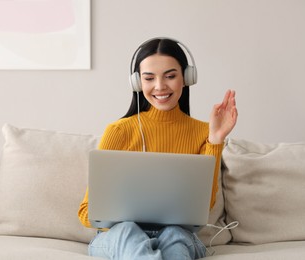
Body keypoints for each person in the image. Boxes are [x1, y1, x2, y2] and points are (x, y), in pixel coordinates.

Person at [78, 37, 238, 260]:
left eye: (170, 76)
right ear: (137, 83)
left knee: (175, 235)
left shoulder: (204, 134)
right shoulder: (119, 131)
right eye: (149, 78)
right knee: (127, 231)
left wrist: (215, 140)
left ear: (187, 78)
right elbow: (87, 212)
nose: (160, 86)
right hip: (118, 236)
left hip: (177, 234)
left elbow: (203, 208)